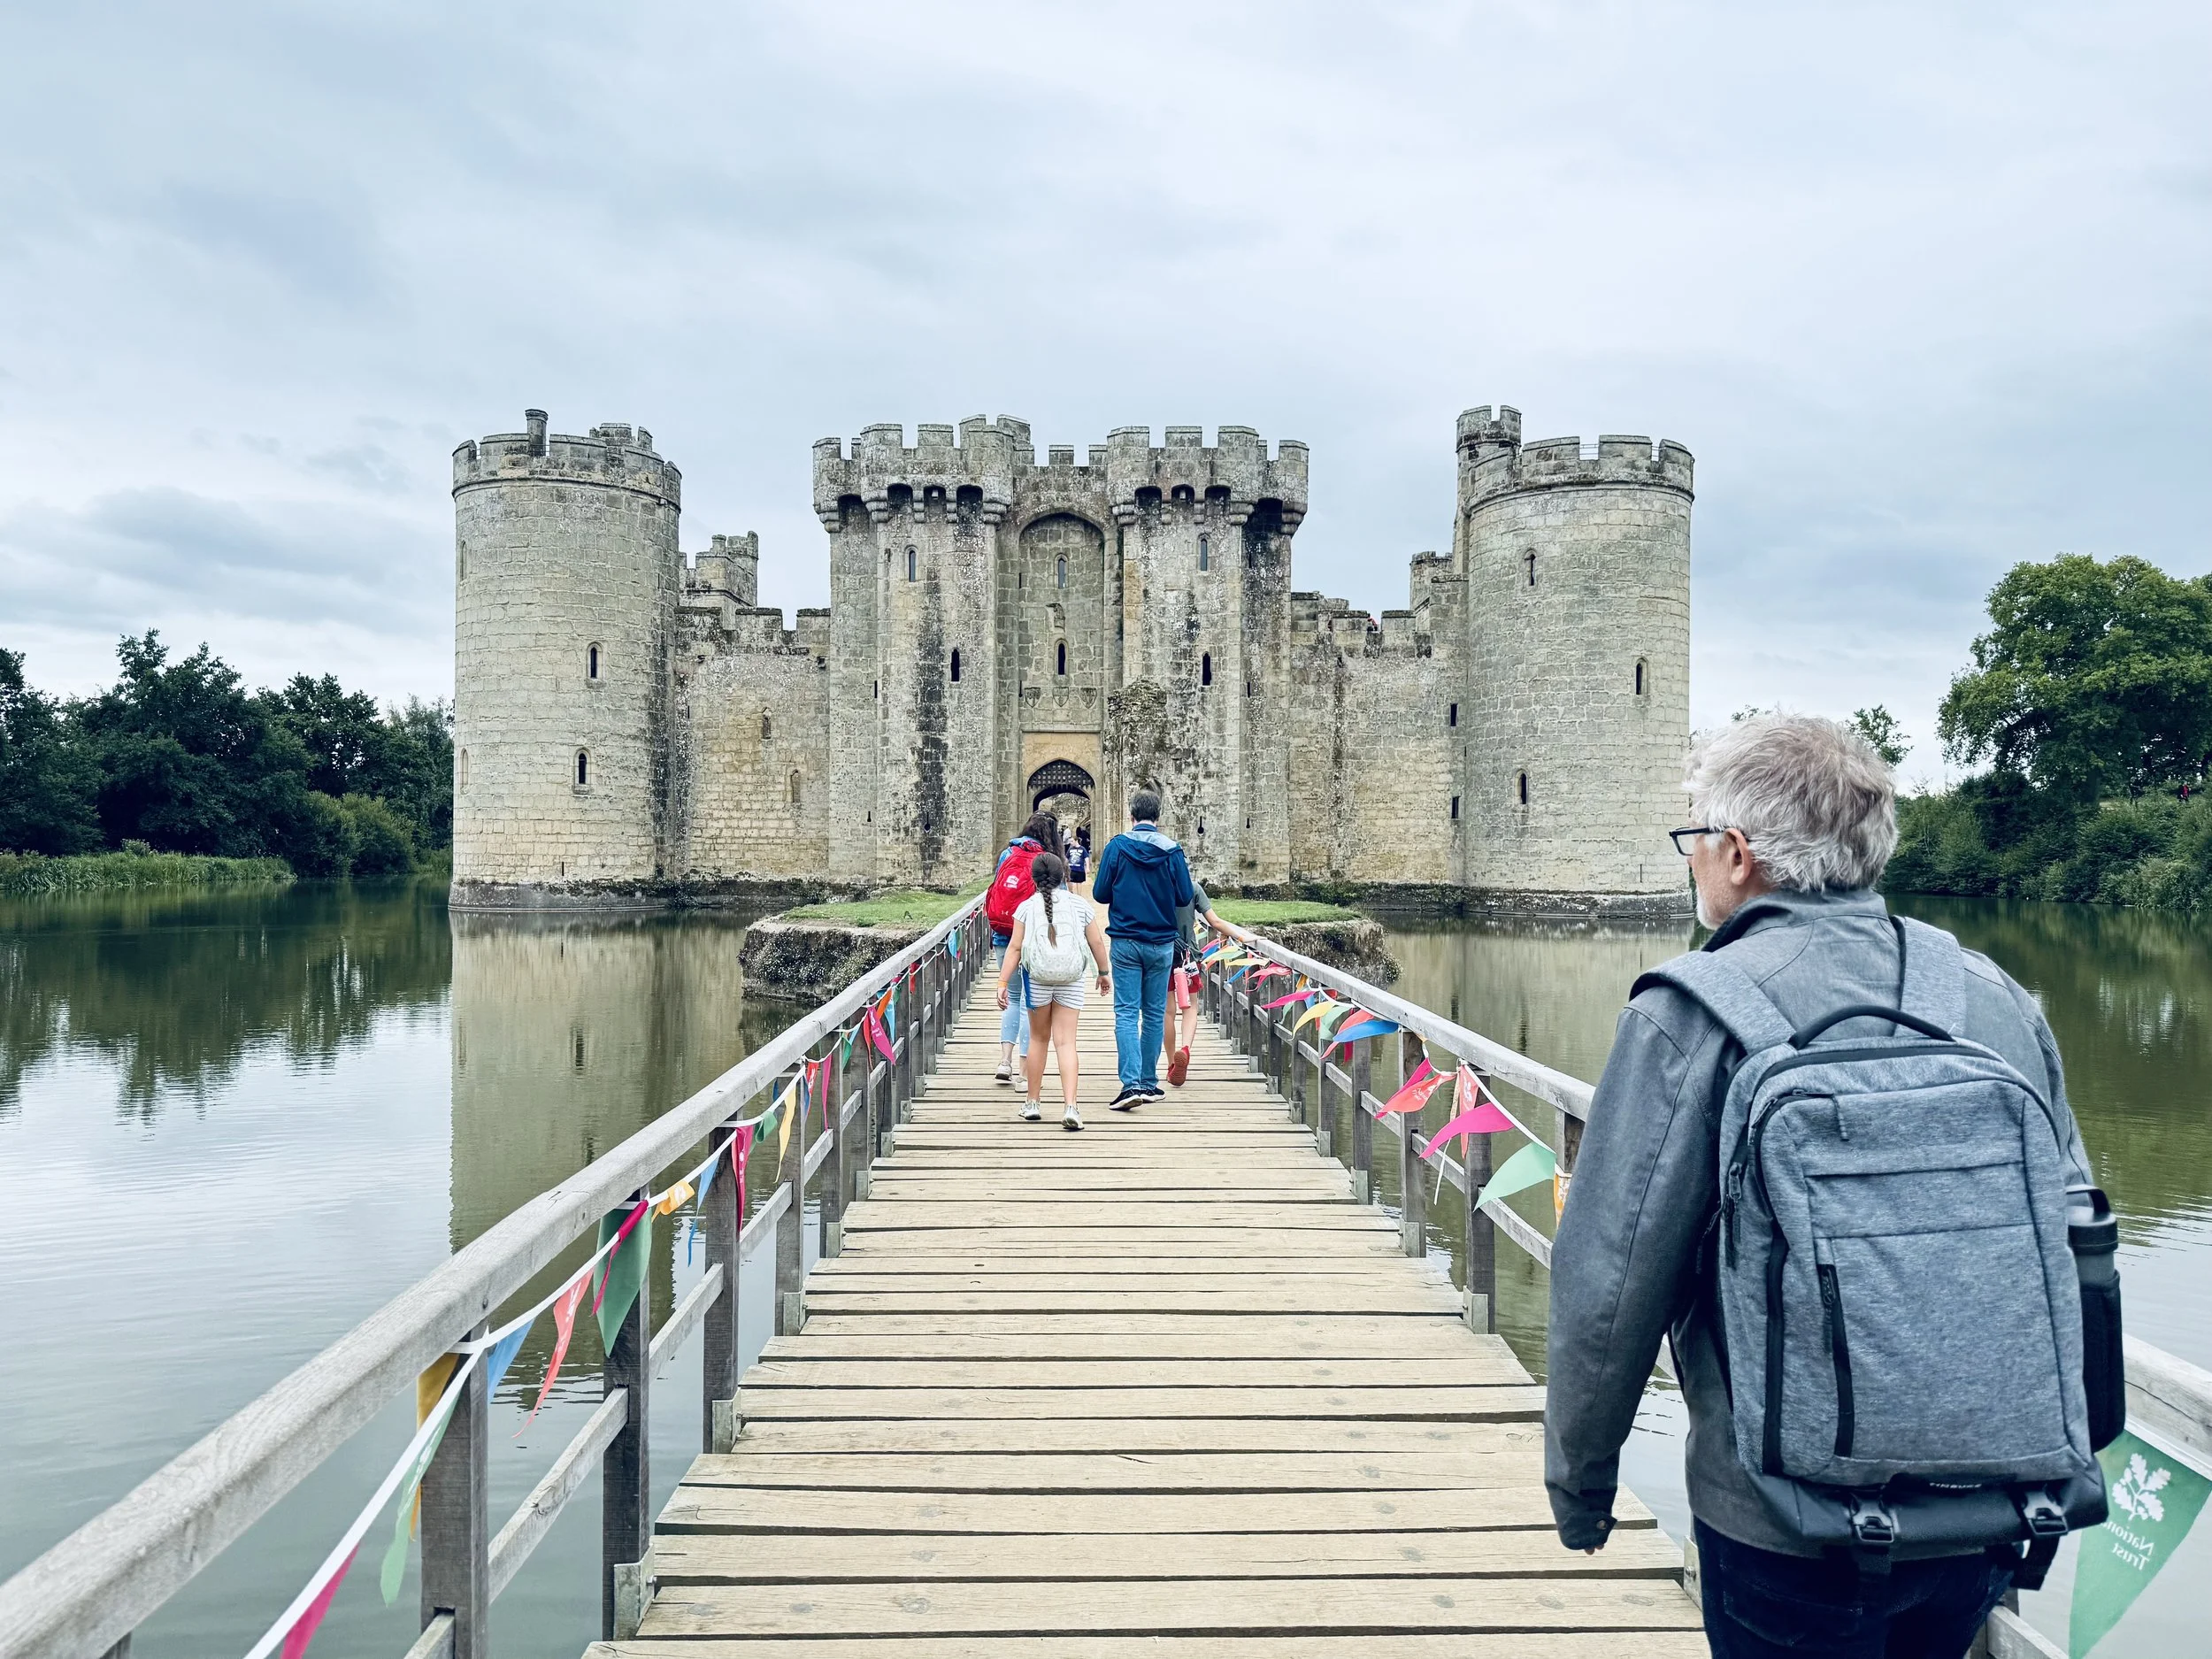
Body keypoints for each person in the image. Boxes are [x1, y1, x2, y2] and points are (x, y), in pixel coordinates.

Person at [1545, 714, 2096, 1659]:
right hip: (1989, 1505)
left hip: (1779, 1518)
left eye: (1694, 841)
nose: (1692, 863)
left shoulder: (1690, 1013)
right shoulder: (1990, 995)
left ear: (1738, 853)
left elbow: (1612, 1280)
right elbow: (2077, 1245)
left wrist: (1583, 1485)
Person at [1088, 788, 1194, 1110]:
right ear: (1157, 817)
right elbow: (1185, 895)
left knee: (1125, 1011)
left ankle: (1131, 1084)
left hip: (1126, 940)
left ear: (1130, 816)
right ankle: (1149, 1082)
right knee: (1153, 1013)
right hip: (1161, 942)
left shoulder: (1118, 847)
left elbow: (1101, 893)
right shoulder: (1172, 851)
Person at [995, 852, 1110, 1131]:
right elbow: (1096, 942)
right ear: (1063, 876)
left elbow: (1015, 948)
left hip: (1038, 980)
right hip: (1071, 978)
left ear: (1033, 879)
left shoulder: (1026, 907)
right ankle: (1071, 1106)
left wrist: (1002, 982)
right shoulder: (1079, 905)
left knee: (1037, 1040)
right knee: (1066, 1043)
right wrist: (1104, 974)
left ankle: (1033, 1103)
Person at [985, 811, 1062, 1085]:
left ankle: (1004, 1060)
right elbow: (1059, 902)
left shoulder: (1008, 854)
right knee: (1032, 1005)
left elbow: (994, 889)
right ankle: (1024, 1073)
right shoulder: (1048, 860)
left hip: (1004, 936)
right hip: (1034, 941)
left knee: (1012, 999)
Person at [1166, 877, 1253, 1087]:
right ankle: (1185, 1048)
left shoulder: (1155, 885)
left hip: (1162, 955)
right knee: (1191, 1007)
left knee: (1166, 1011)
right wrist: (1242, 937)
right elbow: (1215, 922)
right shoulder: (1193, 887)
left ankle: (1171, 1065)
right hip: (1188, 957)